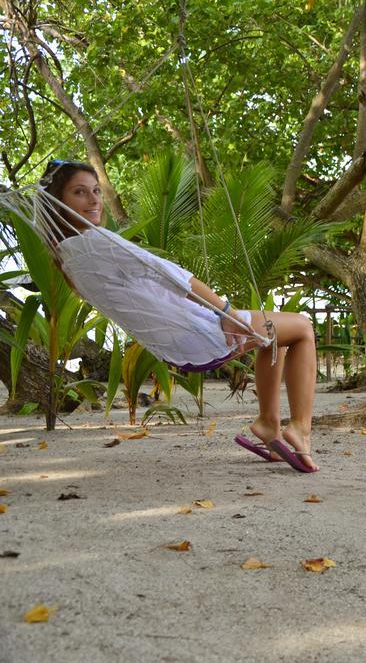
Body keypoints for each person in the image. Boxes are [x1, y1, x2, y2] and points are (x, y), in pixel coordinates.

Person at [40, 160, 319, 473]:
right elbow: (173, 276)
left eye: (95, 191)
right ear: (58, 203)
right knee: (304, 328)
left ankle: (269, 423)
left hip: (177, 347)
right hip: (200, 331)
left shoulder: (67, 259)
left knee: (274, 335)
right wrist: (224, 311)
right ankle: (300, 429)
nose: (93, 200)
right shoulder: (96, 242)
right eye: (80, 192)